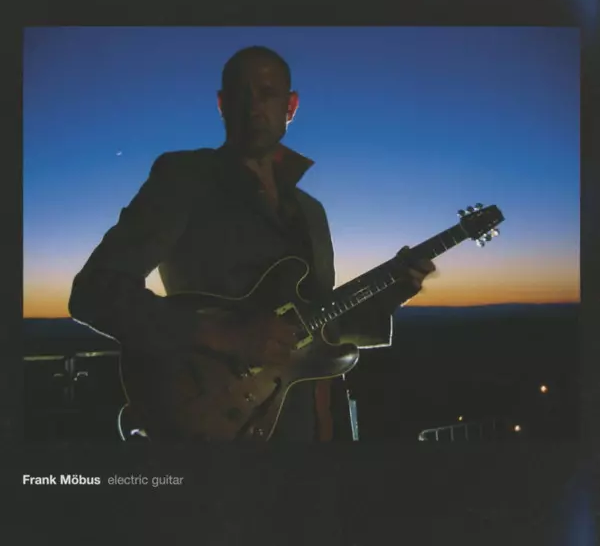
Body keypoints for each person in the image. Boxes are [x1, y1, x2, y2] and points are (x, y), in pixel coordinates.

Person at [68, 46, 436, 441]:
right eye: (240, 95)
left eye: (267, 93)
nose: (254, 107)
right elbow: (94, 292)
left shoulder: (311, 211)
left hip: (317, 422)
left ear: (290, 106)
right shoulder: (185, 178)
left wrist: (389, 294)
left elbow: (319, 327)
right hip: (221, 423)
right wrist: (223, 334)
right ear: (222, 105)